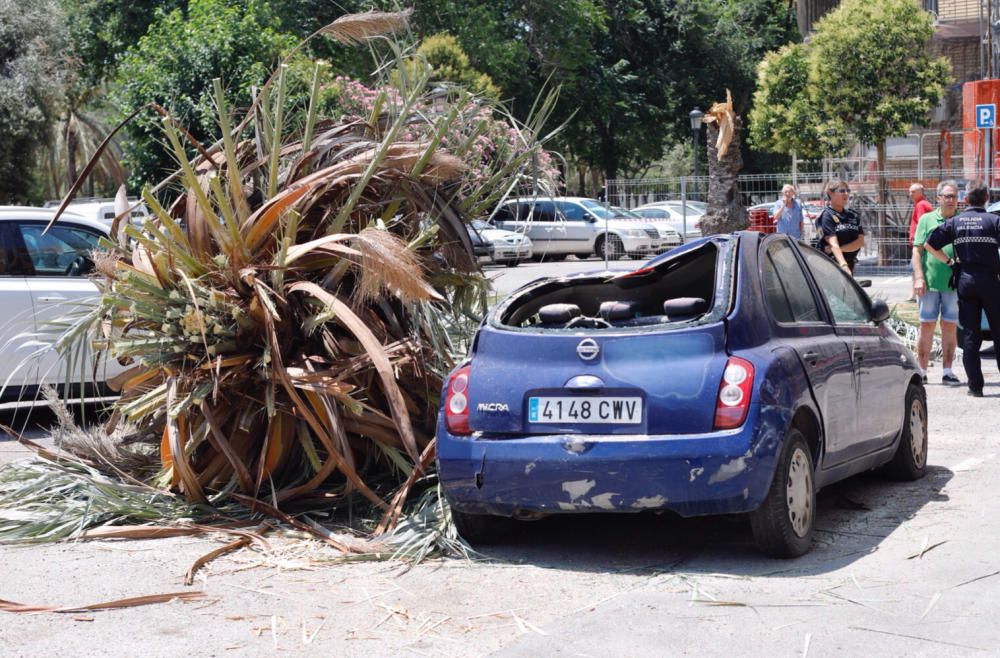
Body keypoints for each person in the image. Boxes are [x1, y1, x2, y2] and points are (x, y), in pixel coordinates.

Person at [924, 179, 1000, 398]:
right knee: (998, 331)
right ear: (986, 198)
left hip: (965, 279)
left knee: (970, 334)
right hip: (990, 280)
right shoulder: (993, 221)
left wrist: (949, 263)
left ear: (965, 199)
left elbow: (929, 244)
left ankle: (975, 387)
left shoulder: (955, 222)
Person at [911, 180, 961, 385]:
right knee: (926, 326)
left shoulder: (962, 220)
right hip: (929, 284)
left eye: (954, 196)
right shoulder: (926, 219)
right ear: (938, 198)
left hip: (954, 285)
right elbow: (917, 250)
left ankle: (947, 371)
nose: (950, 200)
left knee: (950, 327)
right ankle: (921, 370)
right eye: (946, 196)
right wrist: (919, 277)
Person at [817, 179, 864, 274]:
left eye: (848, 191)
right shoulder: (826, 216)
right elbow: (833, 244)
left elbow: (860, 242)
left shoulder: (853, 215)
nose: (846, 194)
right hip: (831, 266)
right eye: (842, 191)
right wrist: (843, 265)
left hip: (849, 264)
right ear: (830, 193)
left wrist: (842, 249)